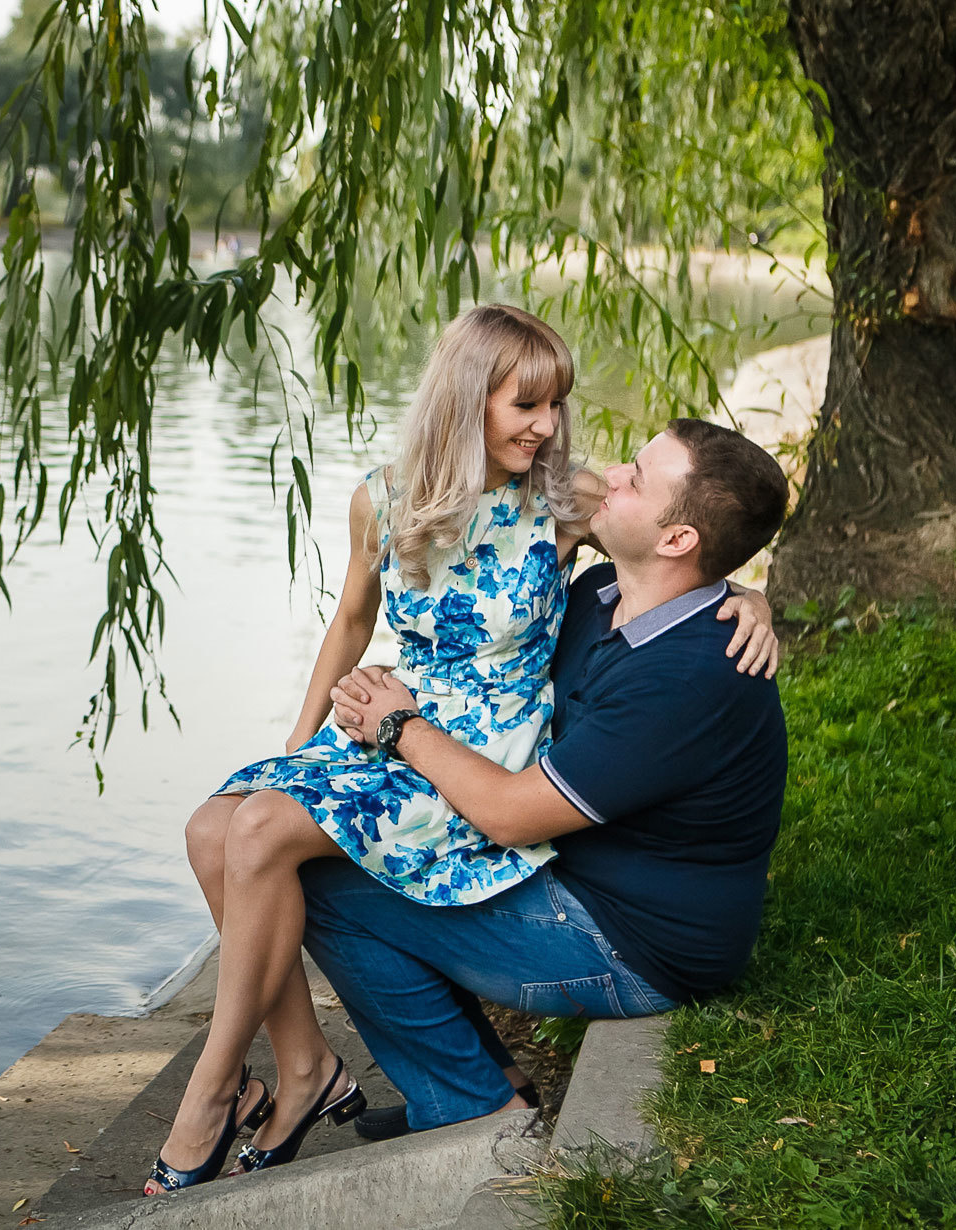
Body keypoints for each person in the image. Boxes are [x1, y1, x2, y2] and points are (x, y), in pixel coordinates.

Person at [141, 306, 780, 1195]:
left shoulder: (566, 505)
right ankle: (303, 1068)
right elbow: (353, 618)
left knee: (264, 843)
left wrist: (747, 597)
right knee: (215, 828)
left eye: (556, 403)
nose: (552, 427)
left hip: (482, 768)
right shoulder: (392, 501)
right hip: (406, 728)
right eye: (529, 404)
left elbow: (692, 543)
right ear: (466, 398)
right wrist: (302, 742)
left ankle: (215, 1093)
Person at [309, 417, 790, 1140]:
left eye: (635, 477)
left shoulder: (689, 676)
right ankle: (486, 1080)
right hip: (576, 874)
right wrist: (746, 589)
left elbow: (509, 814)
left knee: (324, 885)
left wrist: (400, 725)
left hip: (632, 944)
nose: (610, 476)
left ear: (678, 540)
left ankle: (470, 1106)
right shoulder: (604, 592)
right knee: (369, 850)